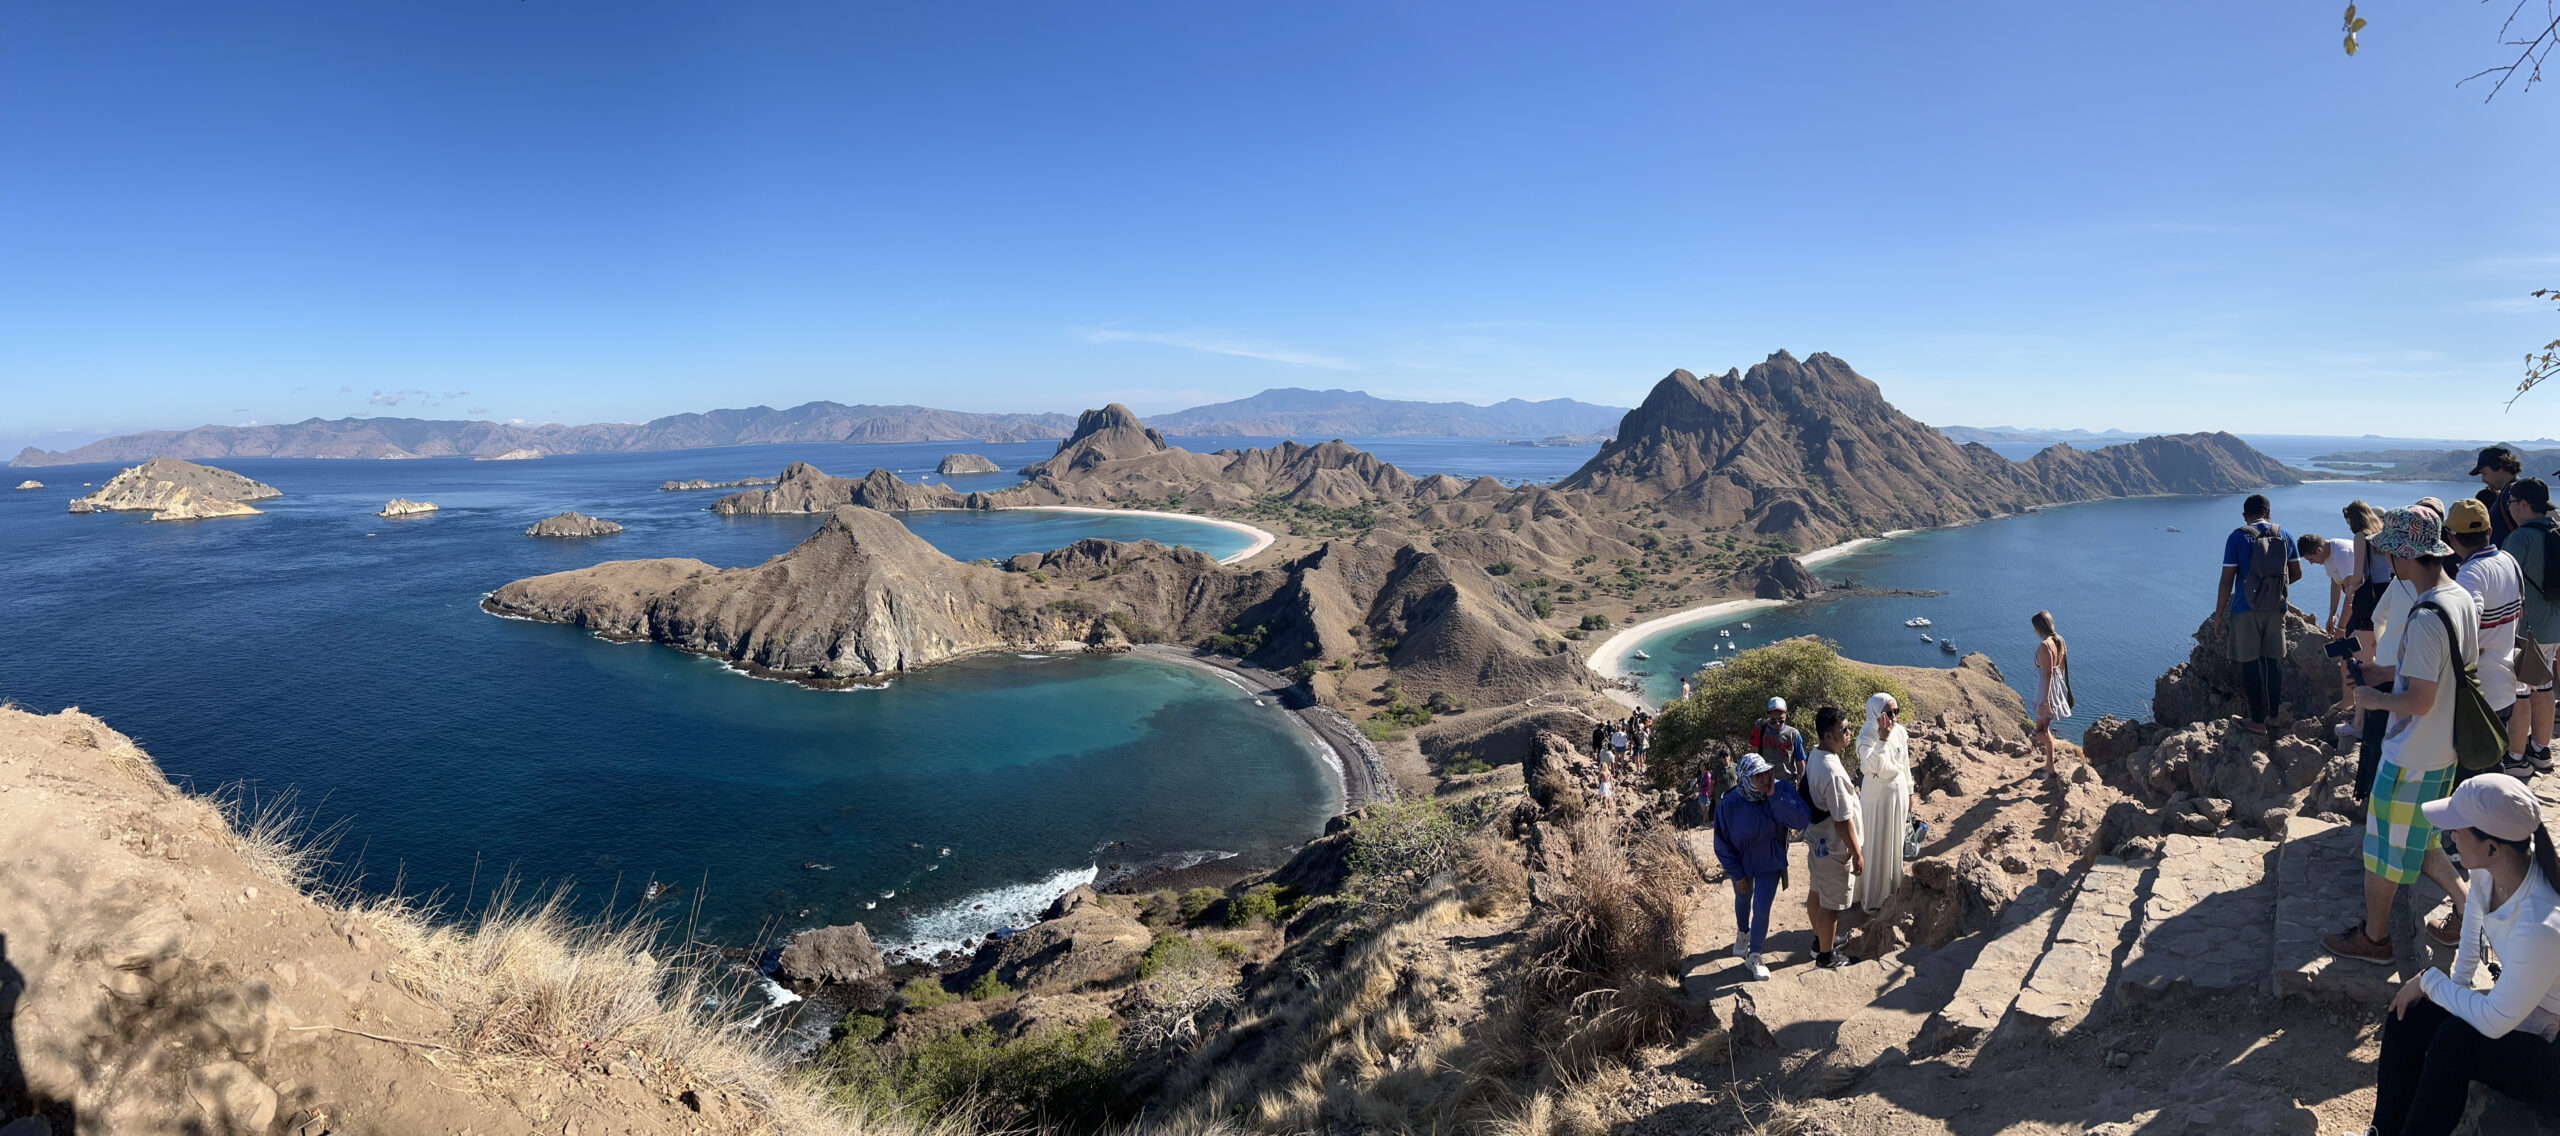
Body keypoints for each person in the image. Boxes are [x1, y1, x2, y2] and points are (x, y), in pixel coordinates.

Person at [2324, 507, 2477, 967]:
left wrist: (2371, 698)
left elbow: (2420, 701)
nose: (2387, 560)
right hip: (2441, 751)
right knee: (2424, 843)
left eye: (2390, 552)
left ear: (2402, 557)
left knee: (2381, 851)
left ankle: (2374, 940)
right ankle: (2471, 910)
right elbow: (2438, 674)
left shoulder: (2425, 617)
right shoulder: (2459, 598)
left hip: (2412, 753)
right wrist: (2385, 672)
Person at [2367, 773, 2560, 1135]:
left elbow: (2493, 1021)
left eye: (2458, 828)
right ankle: (2383, 1130)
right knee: (2411, 1014)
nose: (2449, 835)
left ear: (2492, 847)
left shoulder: (2541, 924)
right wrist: (2444, 994)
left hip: (2554, 1053)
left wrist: (2430, 981)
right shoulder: (2491, 869)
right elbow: (2471, 934)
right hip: (2531, 1013)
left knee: (2453, 1043)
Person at [2445, 498, 2531, 779]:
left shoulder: (2470, 573)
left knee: (2470, 779)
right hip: (2506, 683)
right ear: (2489, 532)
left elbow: (2466, 624)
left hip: (2479, 693)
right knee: (2494, 769)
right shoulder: (2509, 560)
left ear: (2451, 538)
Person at [1713, 752, 1809, 981]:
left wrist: (1775, 796)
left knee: (1762, 906)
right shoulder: (1729, 805)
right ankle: (1742, 932)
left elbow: (1801, 820)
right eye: (1759, 776)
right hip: (1742, 861)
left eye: (1767, 773)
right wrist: (1737, 875)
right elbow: (1722, 845)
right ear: (1745, 778)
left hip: (1770, 858)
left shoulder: (1780, 790)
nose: (1766, 779)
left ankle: (1754, 955)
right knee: (1743, 897)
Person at [2218, 493, 2303, 735]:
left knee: (2250, 665)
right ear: (2268, 513)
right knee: (2273, 663)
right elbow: (2295, 573)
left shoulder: (2237, 537)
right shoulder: (2285, 535)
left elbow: (2226, 581)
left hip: (2245, 609)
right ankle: (2274, 717)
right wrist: (2272, 591)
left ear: (2245, 516)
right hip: (2276, 609)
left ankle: (2256, 721)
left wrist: (2219, 615)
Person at [1802, 705, 1865, 970]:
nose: (1849, 733)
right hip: (1834, 847)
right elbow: (1842, 820)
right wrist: (1857, 853)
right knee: (1831, 904)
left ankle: (1820, 940)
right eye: (1844, 730)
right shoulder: (1832, 772)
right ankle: (1826, 957)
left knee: (1817, 891)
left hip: (1817, 841)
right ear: (1828, 735)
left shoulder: (1815, 755)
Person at [2504, 477, 2558, 774]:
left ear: (2523, 504)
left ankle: (2515, 757)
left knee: (2520, 691)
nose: (2510, 508)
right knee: (2545, 686)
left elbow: (2504, 581)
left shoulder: (2520, 538)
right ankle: (2541, 749)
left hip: (2525, 630)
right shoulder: (2557, 531)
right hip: (2553, 627)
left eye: (2511, 503)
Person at [1855, 693, 1913, 913]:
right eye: (1889, 713)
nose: (1894, 717)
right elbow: (1871, 768)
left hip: (1897, 793)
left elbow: (1904, 763)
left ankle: (1892, 889)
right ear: (1876, 714)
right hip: (1876, 798)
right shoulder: (1866, 736)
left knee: (1895, 841)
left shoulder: (1900, 732)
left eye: (1896, 711)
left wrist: (1910, 791)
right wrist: (1882, 739)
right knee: (1875, 843)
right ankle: (1872, 898)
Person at [2030, 610, 2072, 777]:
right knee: (2042, 729)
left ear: (2039, 627)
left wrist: (2045, 700)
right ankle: (2049, 765)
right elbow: (2060, 668)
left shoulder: (2044, 645)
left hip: (2045, 690)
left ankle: (2051, 767)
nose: (2034, 631)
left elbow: (2047, 673)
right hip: (2055, 686)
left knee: (2041, 732)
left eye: (2034, 627)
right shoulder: (2059, 640)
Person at [2474, 444, 2524, 546]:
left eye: (2484, 473)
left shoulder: (2512, 494)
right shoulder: (2514, 491)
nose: (2483, 480)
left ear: (2500, 467)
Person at [1749, 697, 1809, 777]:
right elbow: (1753, 754)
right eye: (1773, 720)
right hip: (1765, 782)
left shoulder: (1793, 734)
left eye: (1781, 720)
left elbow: (1800, 762)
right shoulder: (1760, 727)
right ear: (1769, 715)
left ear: (1786, 714)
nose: (1777, 723)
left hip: (1787, 783)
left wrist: (1804, 784)